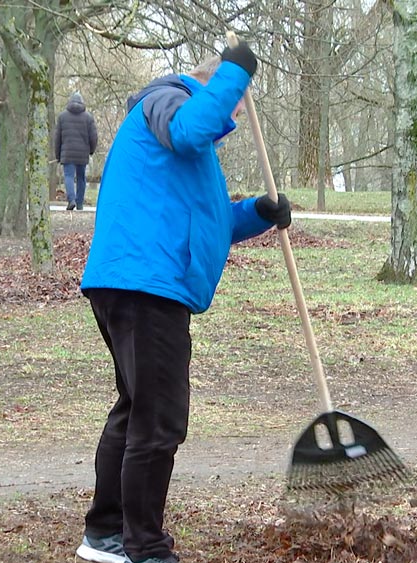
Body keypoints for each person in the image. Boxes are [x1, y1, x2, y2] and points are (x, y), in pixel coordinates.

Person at [76, 41, 290, 563]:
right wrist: (237, 73)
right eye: (231, 102)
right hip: (146, 284)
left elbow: (210, 223)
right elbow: (195, 126)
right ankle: (145, 548)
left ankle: (105, 536)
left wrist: (258, 213)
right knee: (160, 420)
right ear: (212, 86)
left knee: (136, 410)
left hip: (138, 281)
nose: (233, 116)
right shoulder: (165, 101)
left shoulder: (185, 150)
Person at [55, 92, 98, 211]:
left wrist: (58, 155)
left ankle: (71, 199)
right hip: (82, 153)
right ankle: (79, 203)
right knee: (81, 178)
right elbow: (94, 137)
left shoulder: (62, 117)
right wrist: (91, 151)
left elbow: (57, 137)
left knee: (68, 176)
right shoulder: (88, 117)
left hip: (67, 153)